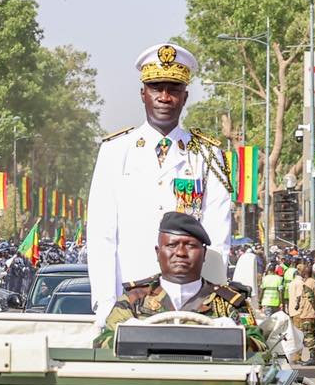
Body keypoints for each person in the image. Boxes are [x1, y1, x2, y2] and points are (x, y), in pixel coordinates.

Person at [85, 44, 233, 316]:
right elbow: (101, 236)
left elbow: (218, 238)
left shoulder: (209, 155)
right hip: (129, 299)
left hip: (192, 301)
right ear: (143, 94)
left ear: (185, 96)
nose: (165, 97)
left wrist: (212, 304)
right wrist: (106, 305)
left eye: (173, 89)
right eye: (156, 88)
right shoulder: (115, 151)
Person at [98, 212, 247, 339]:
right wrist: (128, 334)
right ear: (158, 252)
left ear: (204, 254)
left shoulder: (227, 303)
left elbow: (259, 347)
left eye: (190, 246)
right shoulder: (135, 299)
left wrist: (233, 335)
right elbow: (104, 342)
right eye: (171, 245)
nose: (181, 253)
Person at [286, 260, 315, 363]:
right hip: (305, 313)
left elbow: (310, 300)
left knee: (306, 336)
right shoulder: (312, 283)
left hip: (305, 313)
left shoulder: (305, 283)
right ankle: (310, 358)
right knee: (306, 335)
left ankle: (311, 358)